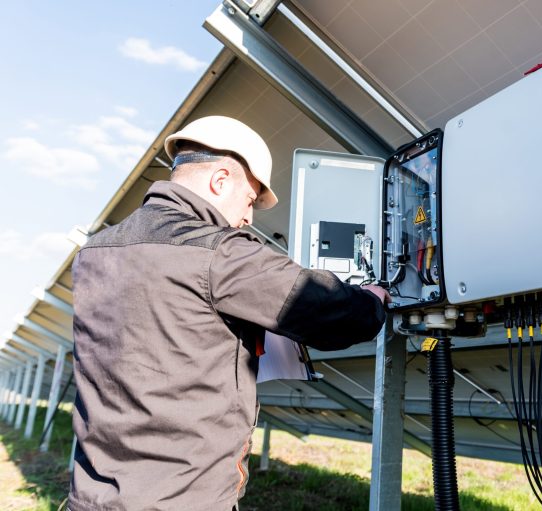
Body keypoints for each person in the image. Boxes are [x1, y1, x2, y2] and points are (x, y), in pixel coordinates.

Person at [68, 115, 389, 510]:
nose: (248, 219)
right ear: (220, 181)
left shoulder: (94, 253)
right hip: (181, 499)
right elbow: (333, 313)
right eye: (250, 200)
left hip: (93, 495)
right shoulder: (218, 253)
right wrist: (372, 298)